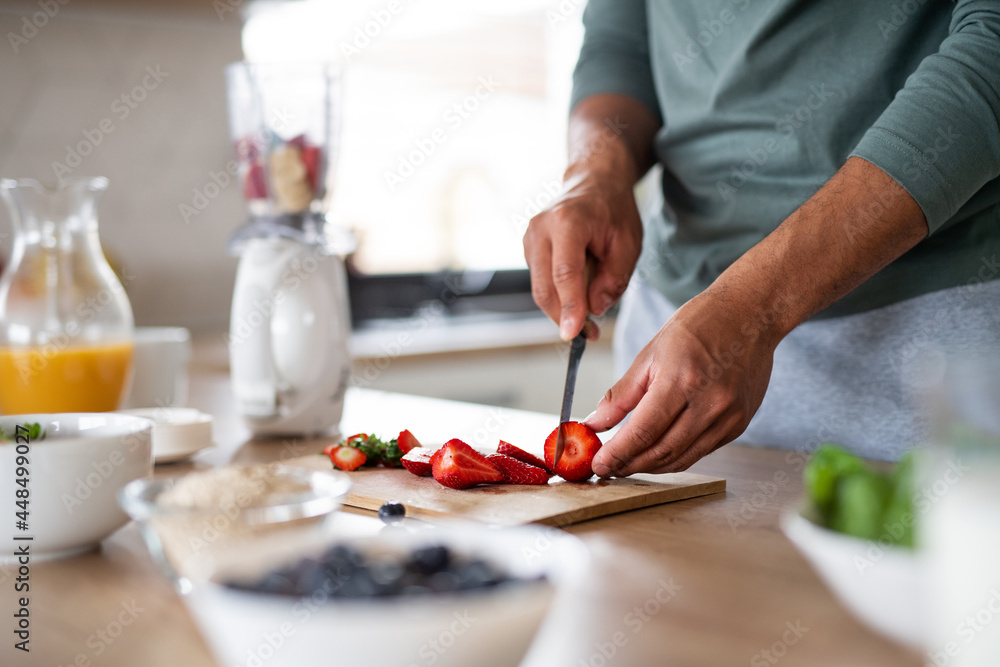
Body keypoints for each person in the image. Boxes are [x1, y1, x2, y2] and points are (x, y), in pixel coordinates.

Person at [523, 0, 1000, 477]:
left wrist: (755, 307)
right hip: (671, 343)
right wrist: (595, 173)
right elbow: (619, 45)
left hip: (927, 347)